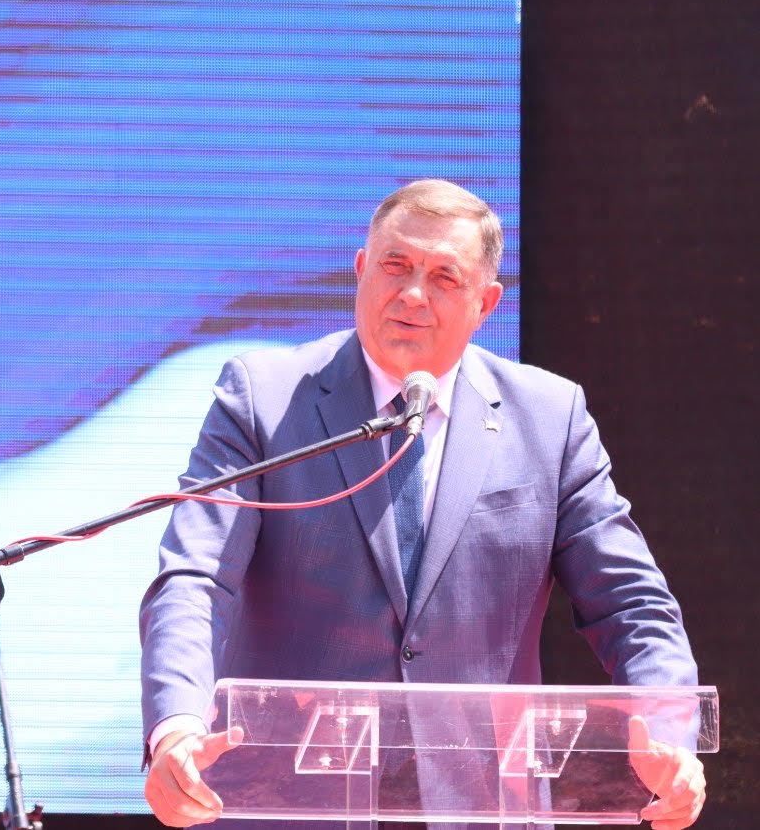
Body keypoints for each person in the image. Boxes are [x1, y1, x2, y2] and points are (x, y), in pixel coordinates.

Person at [138, 179, 706, 829]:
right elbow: (194, 577)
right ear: (360, 269)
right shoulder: (264, 399)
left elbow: (631, 603)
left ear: (485, 302)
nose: (412, 293)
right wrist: (176, 727)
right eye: (396, 265)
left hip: (481, 807)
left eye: (443, 277)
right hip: (290, 805)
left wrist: (668, 737)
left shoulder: (550, 419)